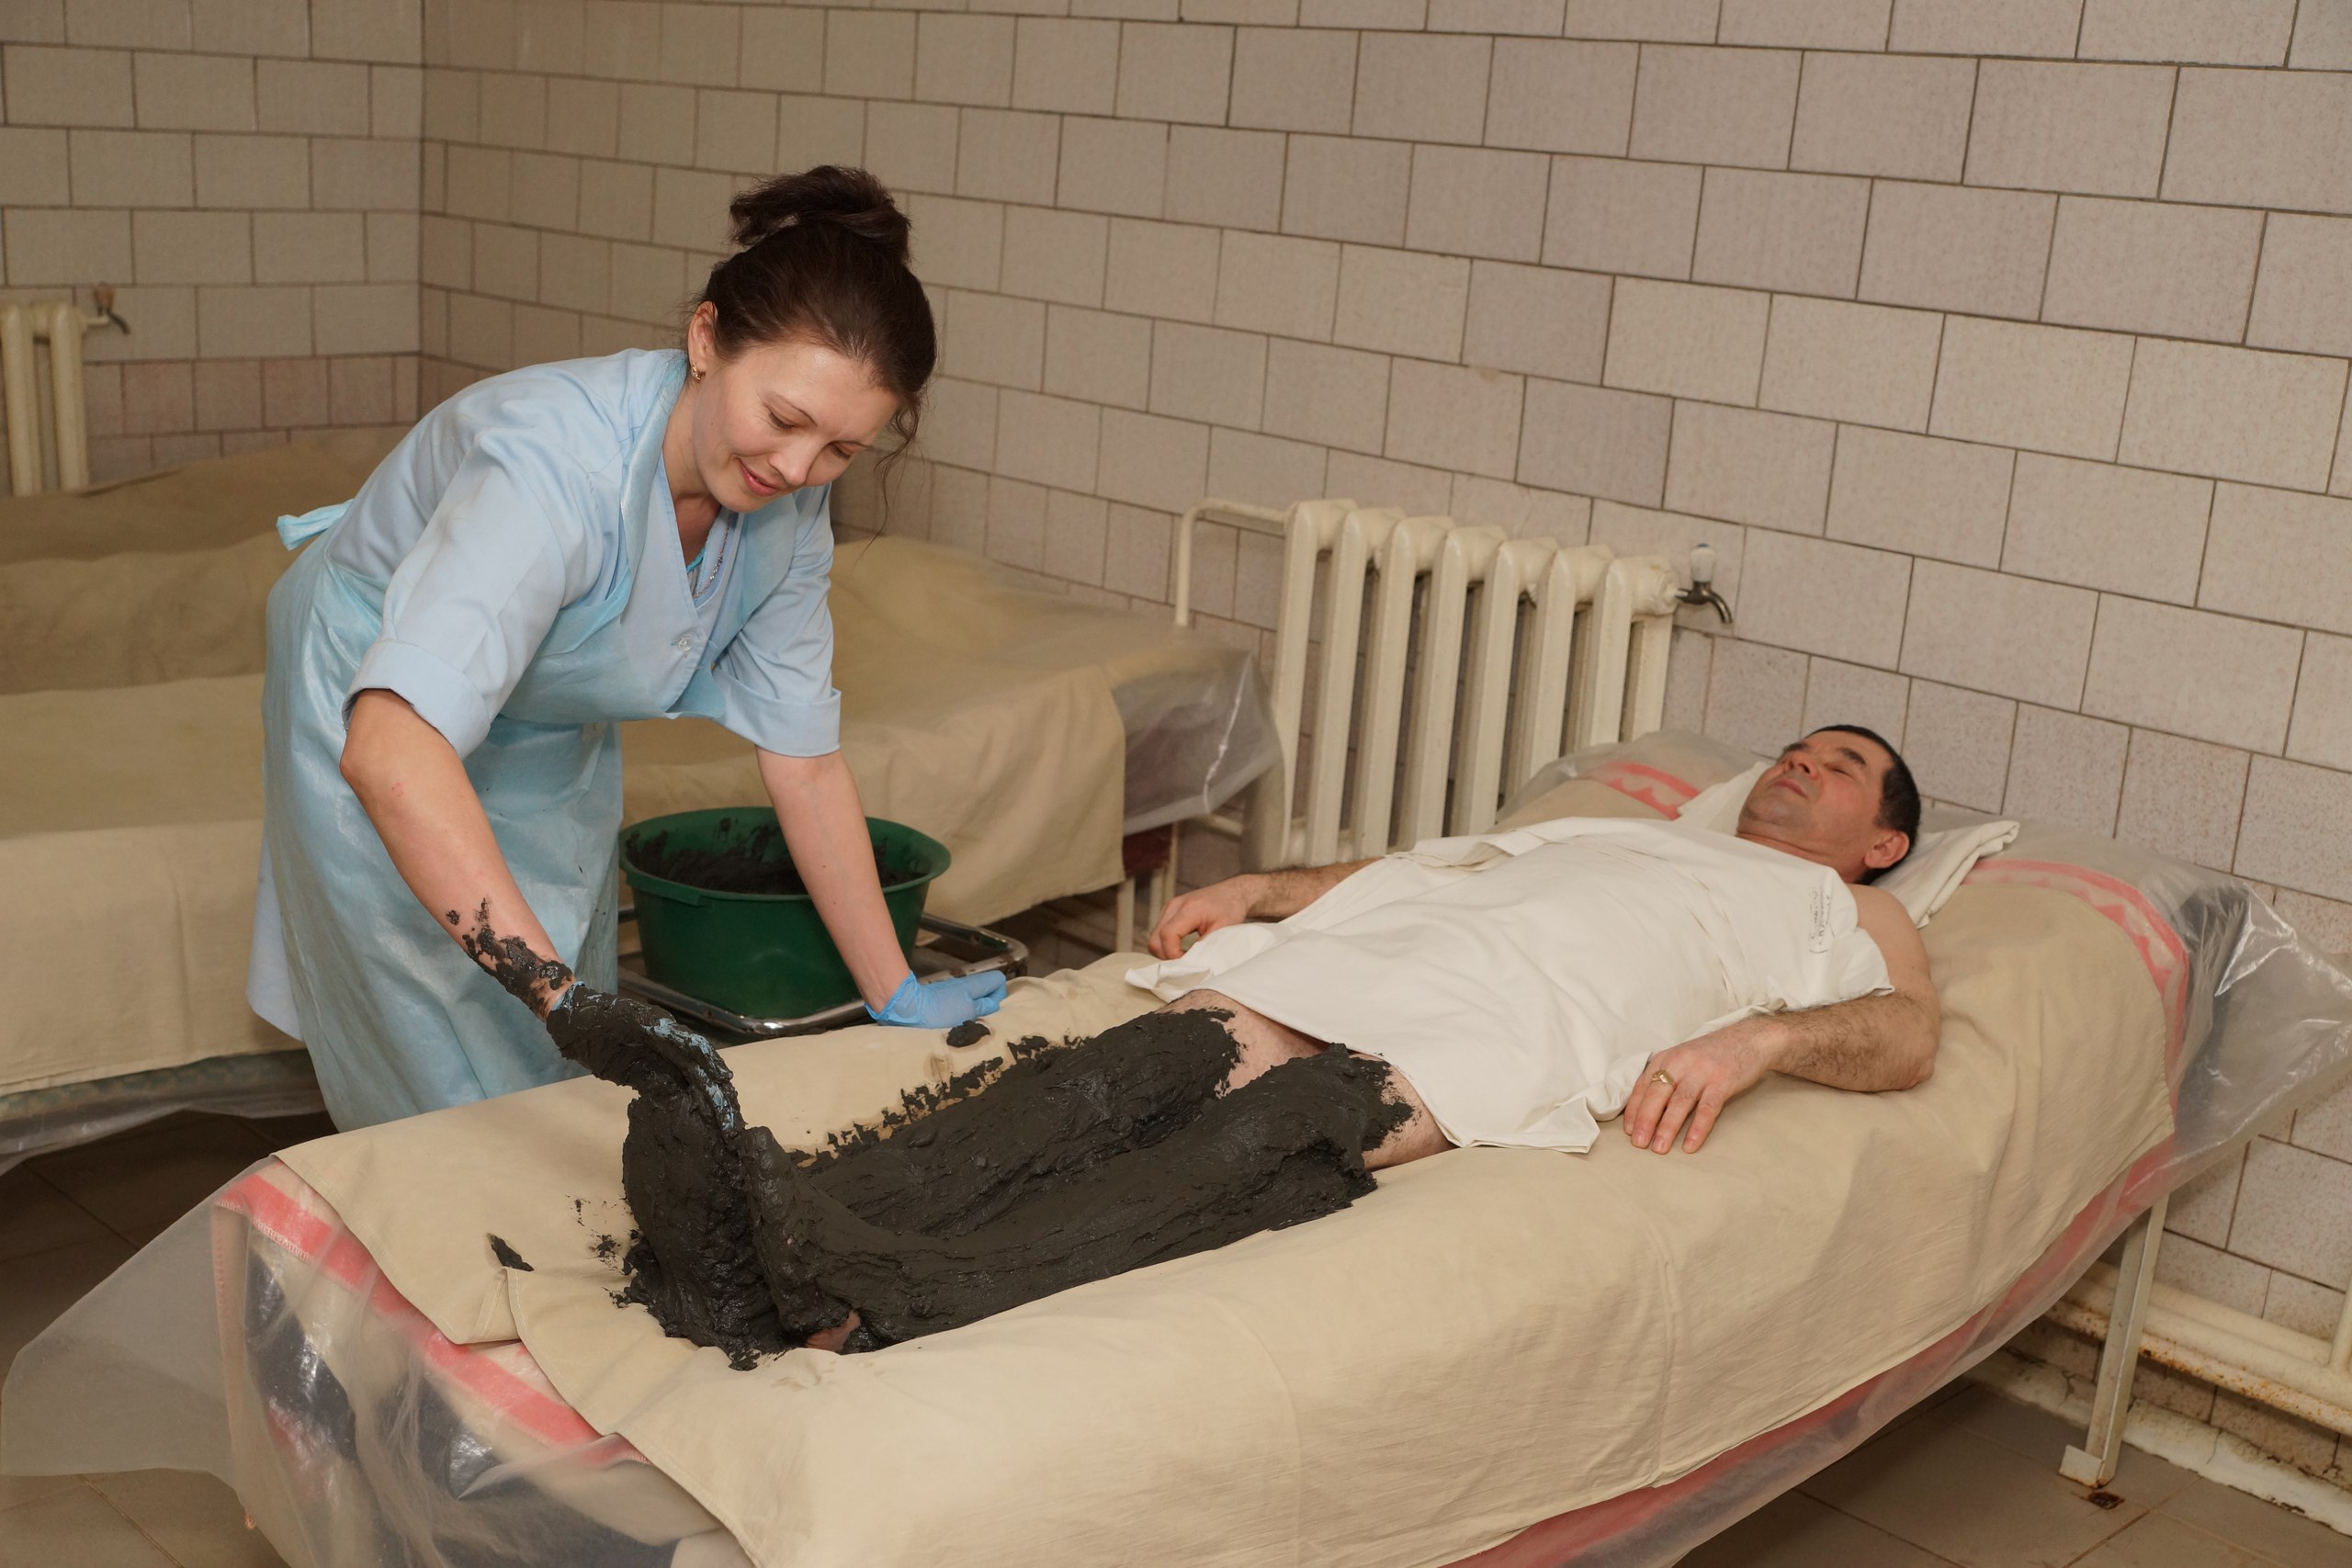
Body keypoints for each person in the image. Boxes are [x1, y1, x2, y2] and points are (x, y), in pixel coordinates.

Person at [574, 727, 1944, 1356]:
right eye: (1796, 748)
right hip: (1394, 947)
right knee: (1124, 1074)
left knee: (1277, 1130)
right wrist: (1264, 892)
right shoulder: (1617, 829)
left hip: (1522, 1017)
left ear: (1882, 841)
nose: (1798, 765)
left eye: (1839, 769)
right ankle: (777, 1219)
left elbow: (1904, 1035)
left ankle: (890, 1299)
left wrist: (1757, 1045)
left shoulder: (1843, 908)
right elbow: (1426, 869)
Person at [249, 166, 1002, 1132]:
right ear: (705, 339)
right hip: (375, 688)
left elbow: (804, 762)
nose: (796, 468)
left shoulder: (787, 509)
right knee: (432, 1043)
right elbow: (390, 752)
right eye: (783, 420)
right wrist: (561, 999)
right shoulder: (552, 466)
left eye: (841, 451)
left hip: (536, 710)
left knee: (552, 1024)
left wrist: (893, 987)